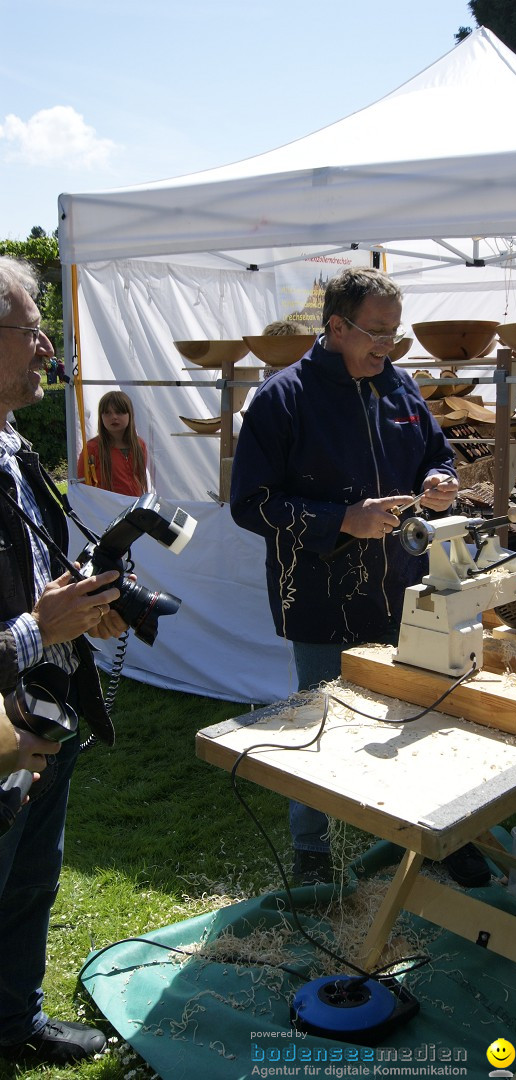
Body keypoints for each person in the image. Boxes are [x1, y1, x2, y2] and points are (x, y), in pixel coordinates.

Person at [231, 266, 490, 890]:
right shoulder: (281, 398)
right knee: (321, 723)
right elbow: (250, 504)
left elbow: (434, 450)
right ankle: (311, 848)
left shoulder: (400, 389)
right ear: (337, 326)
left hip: (403, 588)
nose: (388, 347)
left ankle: (434, 833)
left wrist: (438, 480)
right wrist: (341, 518)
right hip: (321, 594)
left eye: (395, 334)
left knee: (419, 716)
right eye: (376, 333)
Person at [0, 256, 127, 1066]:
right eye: (32, 331)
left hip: (38, 716)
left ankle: (13, 1022)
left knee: (29, 882)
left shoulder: (9, 442)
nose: (48, 349)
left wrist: (76, 605)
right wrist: (36, 626)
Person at [77, 390, 148, 496]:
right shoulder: (92, 449)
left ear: (130, 414)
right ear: (101, 417)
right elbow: (82, 486)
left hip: (135, 508)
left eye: (119, 412)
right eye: (107, 413)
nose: (114, 417)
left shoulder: (139, 445)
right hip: (106, 509)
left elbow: (139, 479)